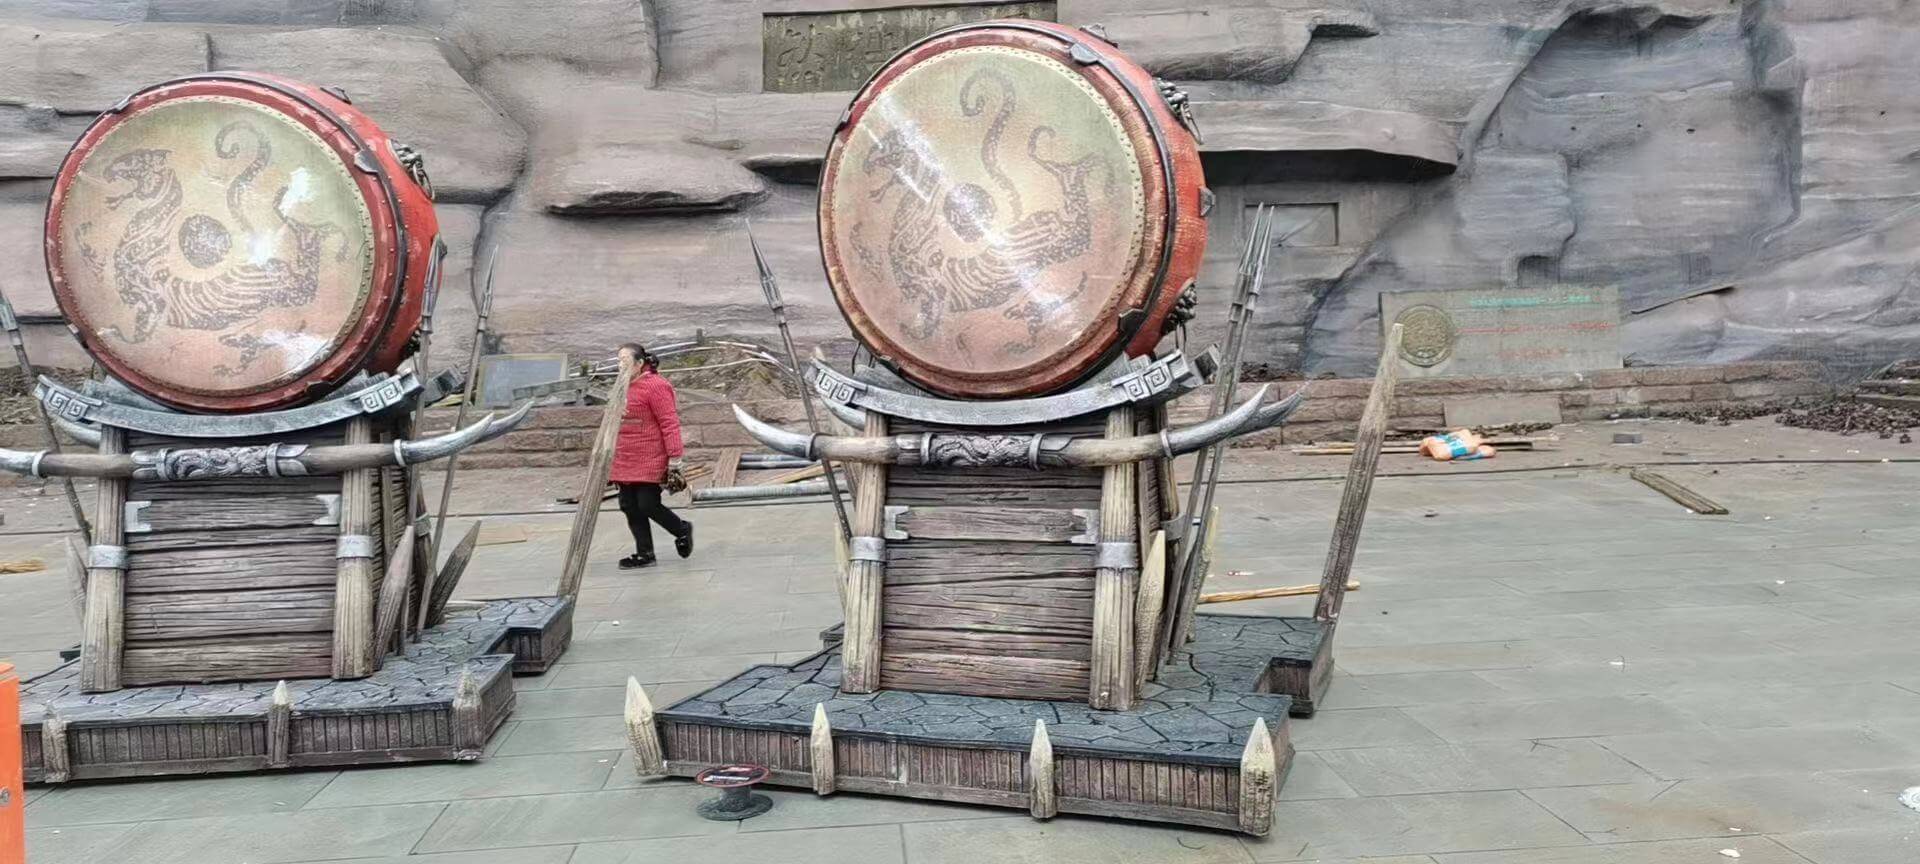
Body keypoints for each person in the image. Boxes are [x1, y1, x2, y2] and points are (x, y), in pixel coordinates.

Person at [608, 343, 693, 569]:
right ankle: (644, 554)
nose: (620, 366)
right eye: (618, 361)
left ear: (639, 363)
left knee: (647, 504)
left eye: (625, 361)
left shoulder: (657, 386)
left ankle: (682, 529)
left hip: (650, 455)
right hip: (625, 455)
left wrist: (675, 457)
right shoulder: (621, 386)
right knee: (628, 505)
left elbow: (669, 422)